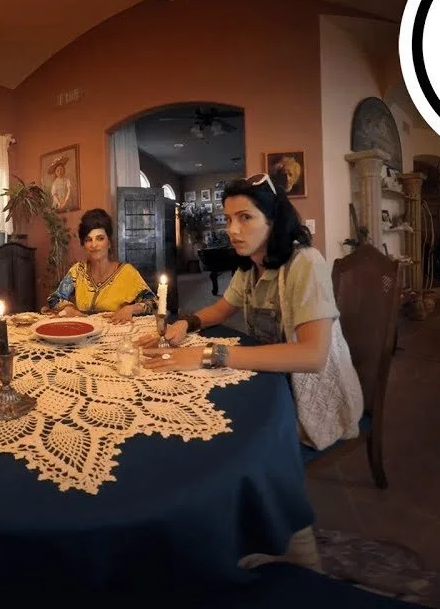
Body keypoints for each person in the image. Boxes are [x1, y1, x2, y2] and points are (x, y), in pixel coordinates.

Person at [135, 173, 364, 450]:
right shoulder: (251, 265)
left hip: (305, 396)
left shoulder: (305, 263)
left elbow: (312, 356)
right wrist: (185, 323)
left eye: (245, 217)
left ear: (273, 220)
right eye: (229, 219)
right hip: (272, 376)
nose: (232, 230)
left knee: (219, 434)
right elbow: (220, 310)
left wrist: (208, 355)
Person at [44, 208, 157, 324]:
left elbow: (154, 303)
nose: (94, 245)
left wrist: (130, 309)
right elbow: (54, 299)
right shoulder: (78, 271)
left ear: (109, 242)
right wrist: (68, 308)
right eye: (88, 240)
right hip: (83, 334)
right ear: (83, 245)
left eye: (100, 238)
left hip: (117, 336)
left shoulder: (127, 272)